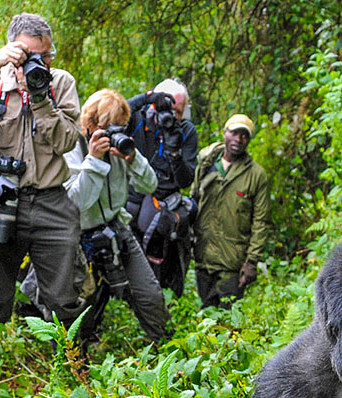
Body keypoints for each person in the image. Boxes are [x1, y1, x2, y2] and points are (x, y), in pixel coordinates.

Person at [0, 13, 82, 371]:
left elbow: (66, 140)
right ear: (12, 49)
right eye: (30, 55)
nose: (40, 62)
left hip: (51, 199)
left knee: (64, 294)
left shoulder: (61, 82)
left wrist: (41, 97)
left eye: (46, 55)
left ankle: (71, 365)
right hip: (1, 198)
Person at [66, 89, 169, 353]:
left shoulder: (120, 147)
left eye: (120, 127)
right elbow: (79, 202)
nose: (115, 133)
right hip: (79, 236)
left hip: (115, 227)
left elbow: (150, 185)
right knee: (84, 300)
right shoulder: (70, 147)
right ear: (90, 124)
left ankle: (165, 346)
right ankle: (78, 356)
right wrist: (95, 160)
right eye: (109, 127)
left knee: (149, 294)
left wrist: (133, 158)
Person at [124, 79, 198, 297]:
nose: (172, 117)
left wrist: (175, 153)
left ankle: (161, 293)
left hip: (164, 203)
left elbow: (185, 180)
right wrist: (145, 98)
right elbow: (108, 118)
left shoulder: (185, 130)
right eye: (168, 109)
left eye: (178, 111)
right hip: (131, 197)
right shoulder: (138, 119)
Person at [191, 114, 271, 308]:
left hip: (232, 262)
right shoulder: (206, 163)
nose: (238, 139)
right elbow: (194, 200)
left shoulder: (256, 175)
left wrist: (251, 262)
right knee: (207, 314)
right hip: (204, 257)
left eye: (244, 136)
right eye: (234, 133)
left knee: (228, 319)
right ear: (225, 133)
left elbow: (260, 221)